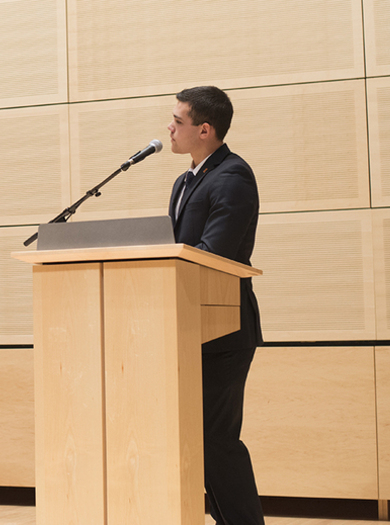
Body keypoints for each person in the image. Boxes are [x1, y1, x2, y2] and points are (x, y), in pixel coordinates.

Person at [167, 86, 264, 525]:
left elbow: (213, 254)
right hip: (189, 326)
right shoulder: (185, 180)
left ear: (204, 130)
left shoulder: (232, 176)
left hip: (223, 329)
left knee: (216, 441)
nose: (169, 128)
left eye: (178, 121)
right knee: (197, 439)